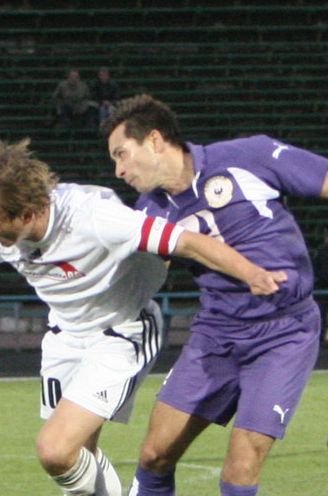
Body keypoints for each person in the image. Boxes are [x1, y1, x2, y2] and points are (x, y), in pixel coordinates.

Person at [0, 137, 286, 496]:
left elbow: (186, 241)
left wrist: (252, 273)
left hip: (122, 331)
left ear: (30, 213)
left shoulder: (93, 216)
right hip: (63, 337)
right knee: (76, 463)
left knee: (55, 450)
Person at [102, 94, 328, 496]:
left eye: (122, 154)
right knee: (155, 454)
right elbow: (136, 279)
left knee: (241, 467)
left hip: (285, 332)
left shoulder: (249, 156)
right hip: (216, 334)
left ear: (155, 140)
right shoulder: (147, 213)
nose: (119, 170)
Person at [313, 226, 328, 343]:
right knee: (321, 315)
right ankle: (321, 338)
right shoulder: (321, 252)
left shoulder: (321, 251)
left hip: (322, 286)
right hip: (322, 288)